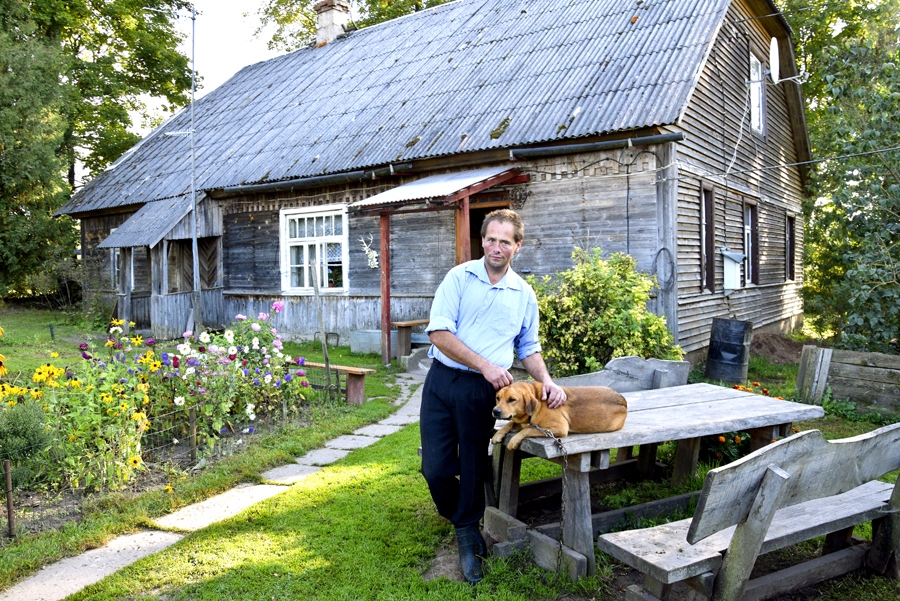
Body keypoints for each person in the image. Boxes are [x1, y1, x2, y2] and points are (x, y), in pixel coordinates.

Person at [419, 208, 566, 584]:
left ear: (517, 246)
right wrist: (485, 364)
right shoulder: (459, 277)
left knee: (471, 463)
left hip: (481, 393)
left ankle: (467, 535)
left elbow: (528, 347)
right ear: (482, 240)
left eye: (505, 241)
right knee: (434, 468)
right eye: (490, 239)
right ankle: (462, 519)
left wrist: (547, 380)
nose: (496, 247)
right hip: (442, 381)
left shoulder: (523, 293)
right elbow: (438, 333)